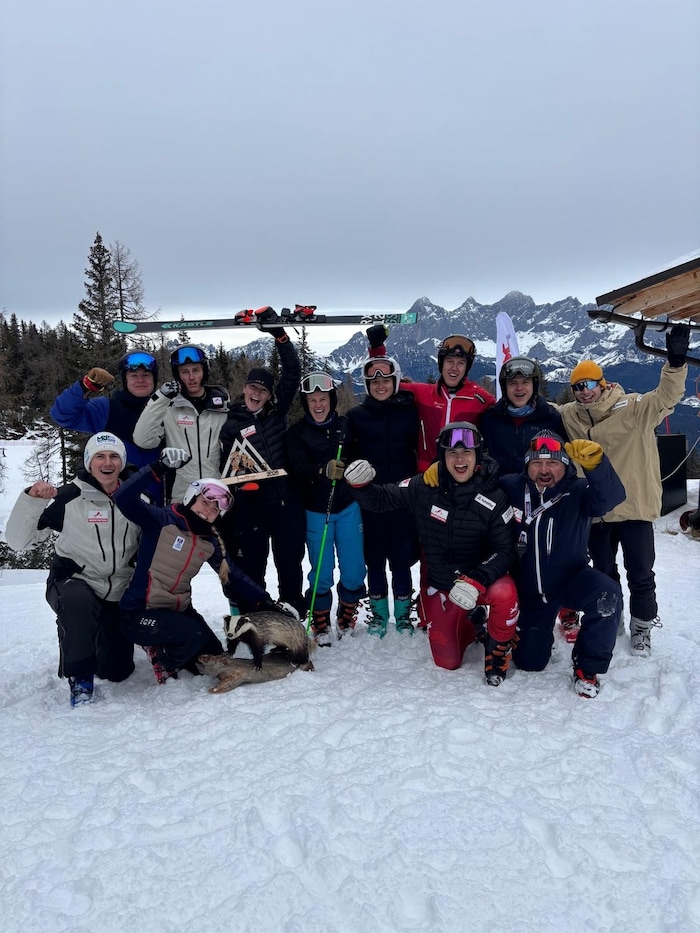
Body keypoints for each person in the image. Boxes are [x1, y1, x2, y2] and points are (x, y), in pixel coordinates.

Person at [345, 422, 519, 685]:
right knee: (447, 662)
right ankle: (473, 621)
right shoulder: (424, 487)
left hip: (479, 581)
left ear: (478, 456)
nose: (460, 460)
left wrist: (477, 578)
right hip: (443, 584)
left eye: (467, 453)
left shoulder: (494, 496)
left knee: (505, 591)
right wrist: (361, 486)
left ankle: (497, 650)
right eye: (452, 453)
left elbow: (506, 551)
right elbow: (381, 499)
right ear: (442, 456)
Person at [558, 323, 690, 657]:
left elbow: (666, 398)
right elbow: (534, 409)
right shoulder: (570, 416)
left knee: (641, 574)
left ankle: (642, 627)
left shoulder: (633, 408)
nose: (584, 392)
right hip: (599, 511)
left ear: (602, 384)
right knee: (603, 573)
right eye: (577, 387)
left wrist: (675, 364)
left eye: (588, 384)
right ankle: (612, 615)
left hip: (633, 508)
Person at [113, 450, 291, 683]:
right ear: (191, 497)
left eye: (215, 509)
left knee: (213, 654)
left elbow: (234, 576)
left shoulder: (209, 541)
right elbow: (123, 498)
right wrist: (158, 468)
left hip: (177, 611)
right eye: (205, 502)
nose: (208, 510)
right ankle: (161, 657)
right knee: (193, 636)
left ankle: (174, 643)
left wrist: (267, 602)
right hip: (139, 614)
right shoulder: (161, 520)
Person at [5, 432, 141, 707]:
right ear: (89, 462)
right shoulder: (69, 497)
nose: (107, 462)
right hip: (73, 580)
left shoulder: (136, 497)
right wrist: (32, 500)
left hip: (116, 590)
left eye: (114, 456)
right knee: (77, 604)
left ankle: (97, 638)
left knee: (117, 671)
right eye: (100, 456)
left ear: (122, 462)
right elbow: (19, 541)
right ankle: (79, 677)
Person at [499, 431, 626, 697]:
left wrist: (597, 466)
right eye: (536, 463)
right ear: (527, 465)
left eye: (553, 462)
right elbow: (477, 485)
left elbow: (611, 497)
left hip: (571, 579)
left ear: (565, 465)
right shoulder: (511, 487)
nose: (544, 470)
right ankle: (540, 634)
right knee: (530, 663)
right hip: (530, 592)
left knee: (607, 594)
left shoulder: (578, 490)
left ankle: (587, 666)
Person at [480, 356, 580, 642]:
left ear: (534, 386)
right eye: (513, 383)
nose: (519, 388)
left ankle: (567, 609)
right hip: (504, 496)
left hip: (545, 496)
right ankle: (511, 610)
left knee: (556, 554)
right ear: (505, 387)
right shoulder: (491, 418)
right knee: (511, 553)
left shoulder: (550, 418)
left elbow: (567, 456)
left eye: (525, 382)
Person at [218, 308, 305, 616]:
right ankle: (257, 618)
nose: (257, 394)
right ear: (245, 389)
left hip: (284, 502)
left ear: (269, 395)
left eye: (263, 390)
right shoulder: (228, 422)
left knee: (289, 562)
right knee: (253, 566)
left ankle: (293, 612)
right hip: (250, 505)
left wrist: (280, 336)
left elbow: (292, 373)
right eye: (253, 388)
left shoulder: (277, 414)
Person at [286, 372, 366, 644]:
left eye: (323, 399)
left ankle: (347, 609)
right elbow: (296, 468)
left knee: (354, 570)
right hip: (316, 510)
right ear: (305, 402)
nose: (318, 405)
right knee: (321, 570)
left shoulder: (346, 426)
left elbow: (359, 456)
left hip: (346, 506)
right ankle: (320, 618)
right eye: (312, 400)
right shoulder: (297, 432)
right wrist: (322, 469)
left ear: (331, 400)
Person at [345, 352, 419, 636]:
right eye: (373, 381)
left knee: (401, 558)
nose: (380, 385)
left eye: (386, 379)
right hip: (370, 497)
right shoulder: (356, 416)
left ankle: (402, 615)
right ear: (367, 385)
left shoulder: (410, 411)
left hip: (403, 495)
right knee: (374, 558)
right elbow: (349, 455)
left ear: (395, 381)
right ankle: (378, 615)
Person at [366, 326, 495, 471]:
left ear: (467, 368)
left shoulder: (480, 398)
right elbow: (385, 384)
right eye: (449, 361)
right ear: (441, 364)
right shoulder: (424, 393)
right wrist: (377, 349)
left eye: (461, 363)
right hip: (426, 477)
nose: (454, 368)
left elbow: (507, 414)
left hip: (462, 475)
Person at [132, 344, 229, 502]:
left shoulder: (222, 407)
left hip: (215, 493)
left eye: (196, 370)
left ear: (204, 371)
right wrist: (162, 397)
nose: (191, 377)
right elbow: (143, 440)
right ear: (177, 375)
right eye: (185, 372)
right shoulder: (170, 408)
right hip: (181, 495)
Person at [50, 350, 162, 468]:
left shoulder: (166, 409)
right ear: (125, 380)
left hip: (165, 485)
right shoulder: (107, 408)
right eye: (134, 375)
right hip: (118, 484)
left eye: (146, 375)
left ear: (154, 379)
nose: (140, 380)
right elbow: (62, 415)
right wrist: (85, 386)